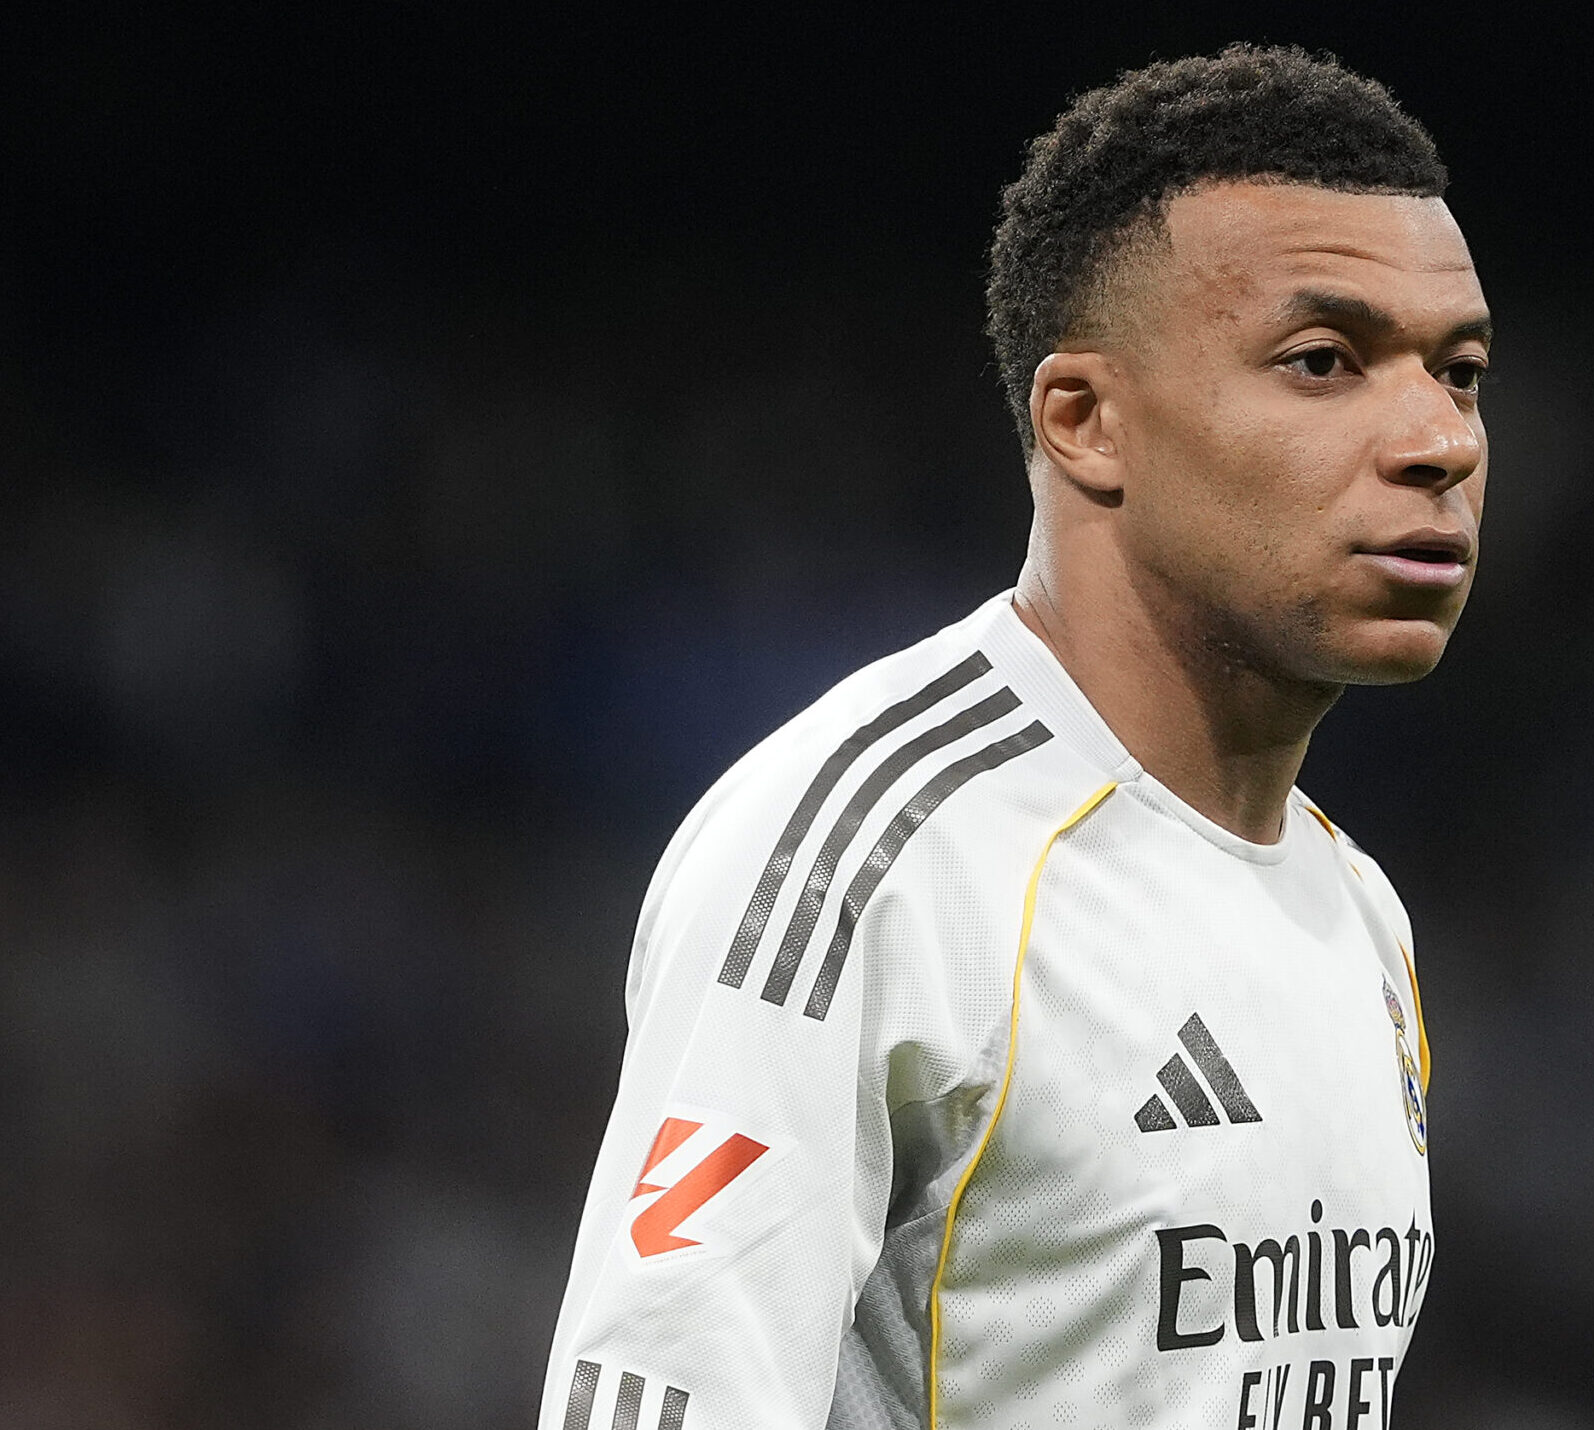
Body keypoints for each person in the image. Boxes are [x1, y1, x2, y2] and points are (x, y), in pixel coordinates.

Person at [538, 43, 1490, 1430]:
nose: (1437, 440)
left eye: (1459, 372)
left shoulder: (1358, 908)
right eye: (1322, 361)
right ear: (1085, 421)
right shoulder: (869, 855)